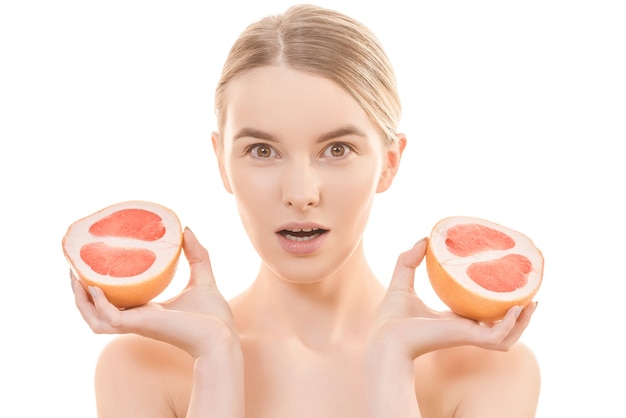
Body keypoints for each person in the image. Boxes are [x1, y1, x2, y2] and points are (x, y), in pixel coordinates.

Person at [71, 4, 540, 417]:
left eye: (336, 149)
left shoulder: (487, 368)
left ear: (389, 164)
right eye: (261, 150)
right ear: (222, 163)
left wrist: (391, 366)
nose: (300, 193)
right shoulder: (141, 366)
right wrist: (216, 359)